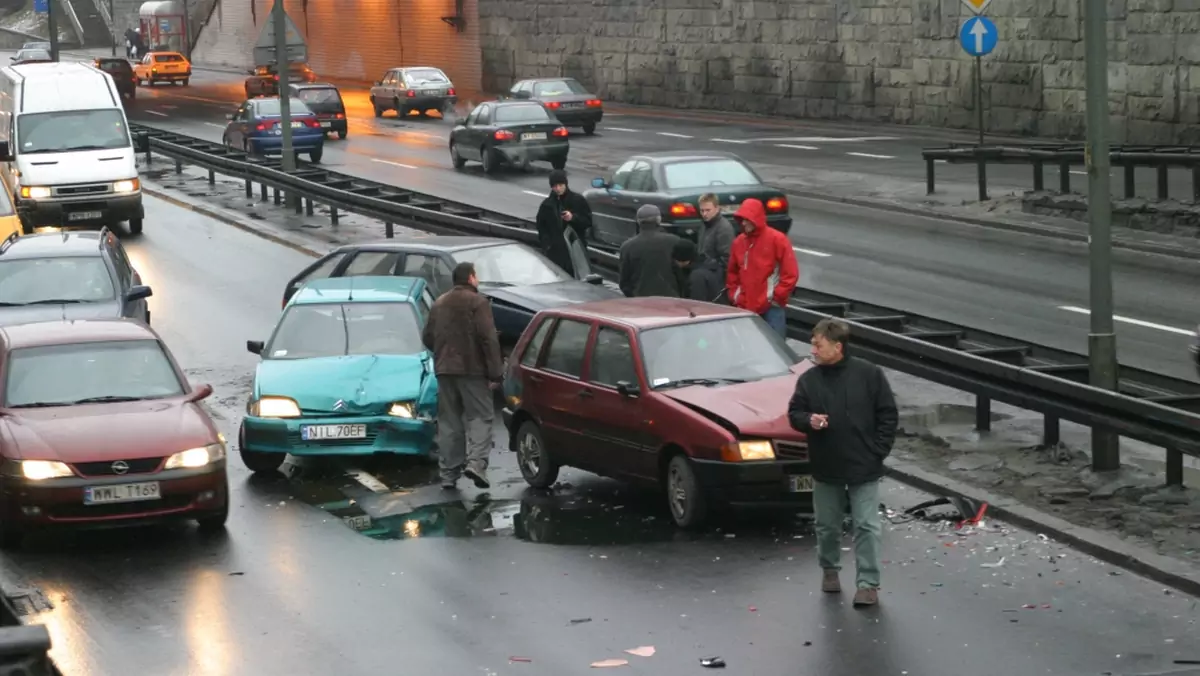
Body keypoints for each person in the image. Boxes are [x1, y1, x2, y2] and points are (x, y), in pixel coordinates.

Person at [787, 318, 898, 607]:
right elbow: (795, 413)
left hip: (864, 466)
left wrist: (878, 450)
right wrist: (809, 420)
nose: (812, 348)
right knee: (827, 525)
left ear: (837, 347)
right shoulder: (809, 380)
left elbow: (888, 414)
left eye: (817, 344)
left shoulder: (869, 375)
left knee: (866, 526)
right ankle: (830, 569)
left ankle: (868, 584)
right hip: (827, 466)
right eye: (812, 343)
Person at [421, 261, 504, 490]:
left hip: (445, 370)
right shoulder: (478, 302)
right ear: (470, 278)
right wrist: (496, 373)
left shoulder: (440, 303)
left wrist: (443, 353)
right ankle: (476, 464)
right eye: (476, 276)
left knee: (449, 422)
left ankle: (448, 473)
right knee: (480, 417)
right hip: (472, 370)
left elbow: (427, 337)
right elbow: (488, 339)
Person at [726, 198, 798, 337]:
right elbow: (732, 272)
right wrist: (736, 296)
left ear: (756, 218)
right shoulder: (739, 242)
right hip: (746, 306)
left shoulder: (777, 240)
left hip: (771, 308)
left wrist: (775, 297)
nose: (744, 223)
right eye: (742, 219)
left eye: (747, 219)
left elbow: (790, 273)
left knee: (775, 351)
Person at [535, 169, 592, 276]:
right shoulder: (547, 205)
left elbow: (588, 222)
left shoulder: (577, 200)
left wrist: (573, 218)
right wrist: (547, 245)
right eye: (555, 186)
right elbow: (541, 226)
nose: (558, 189)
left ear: (565, 184)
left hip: (575, 251)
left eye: (560, 185)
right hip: (555, 254)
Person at [618, 204, 682, 298]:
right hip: (671, 298)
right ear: (659, 220)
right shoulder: (675, 241)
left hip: (641, 300)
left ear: (638, 222)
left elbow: (624, 282)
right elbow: (683, 274)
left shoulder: (627, 247)